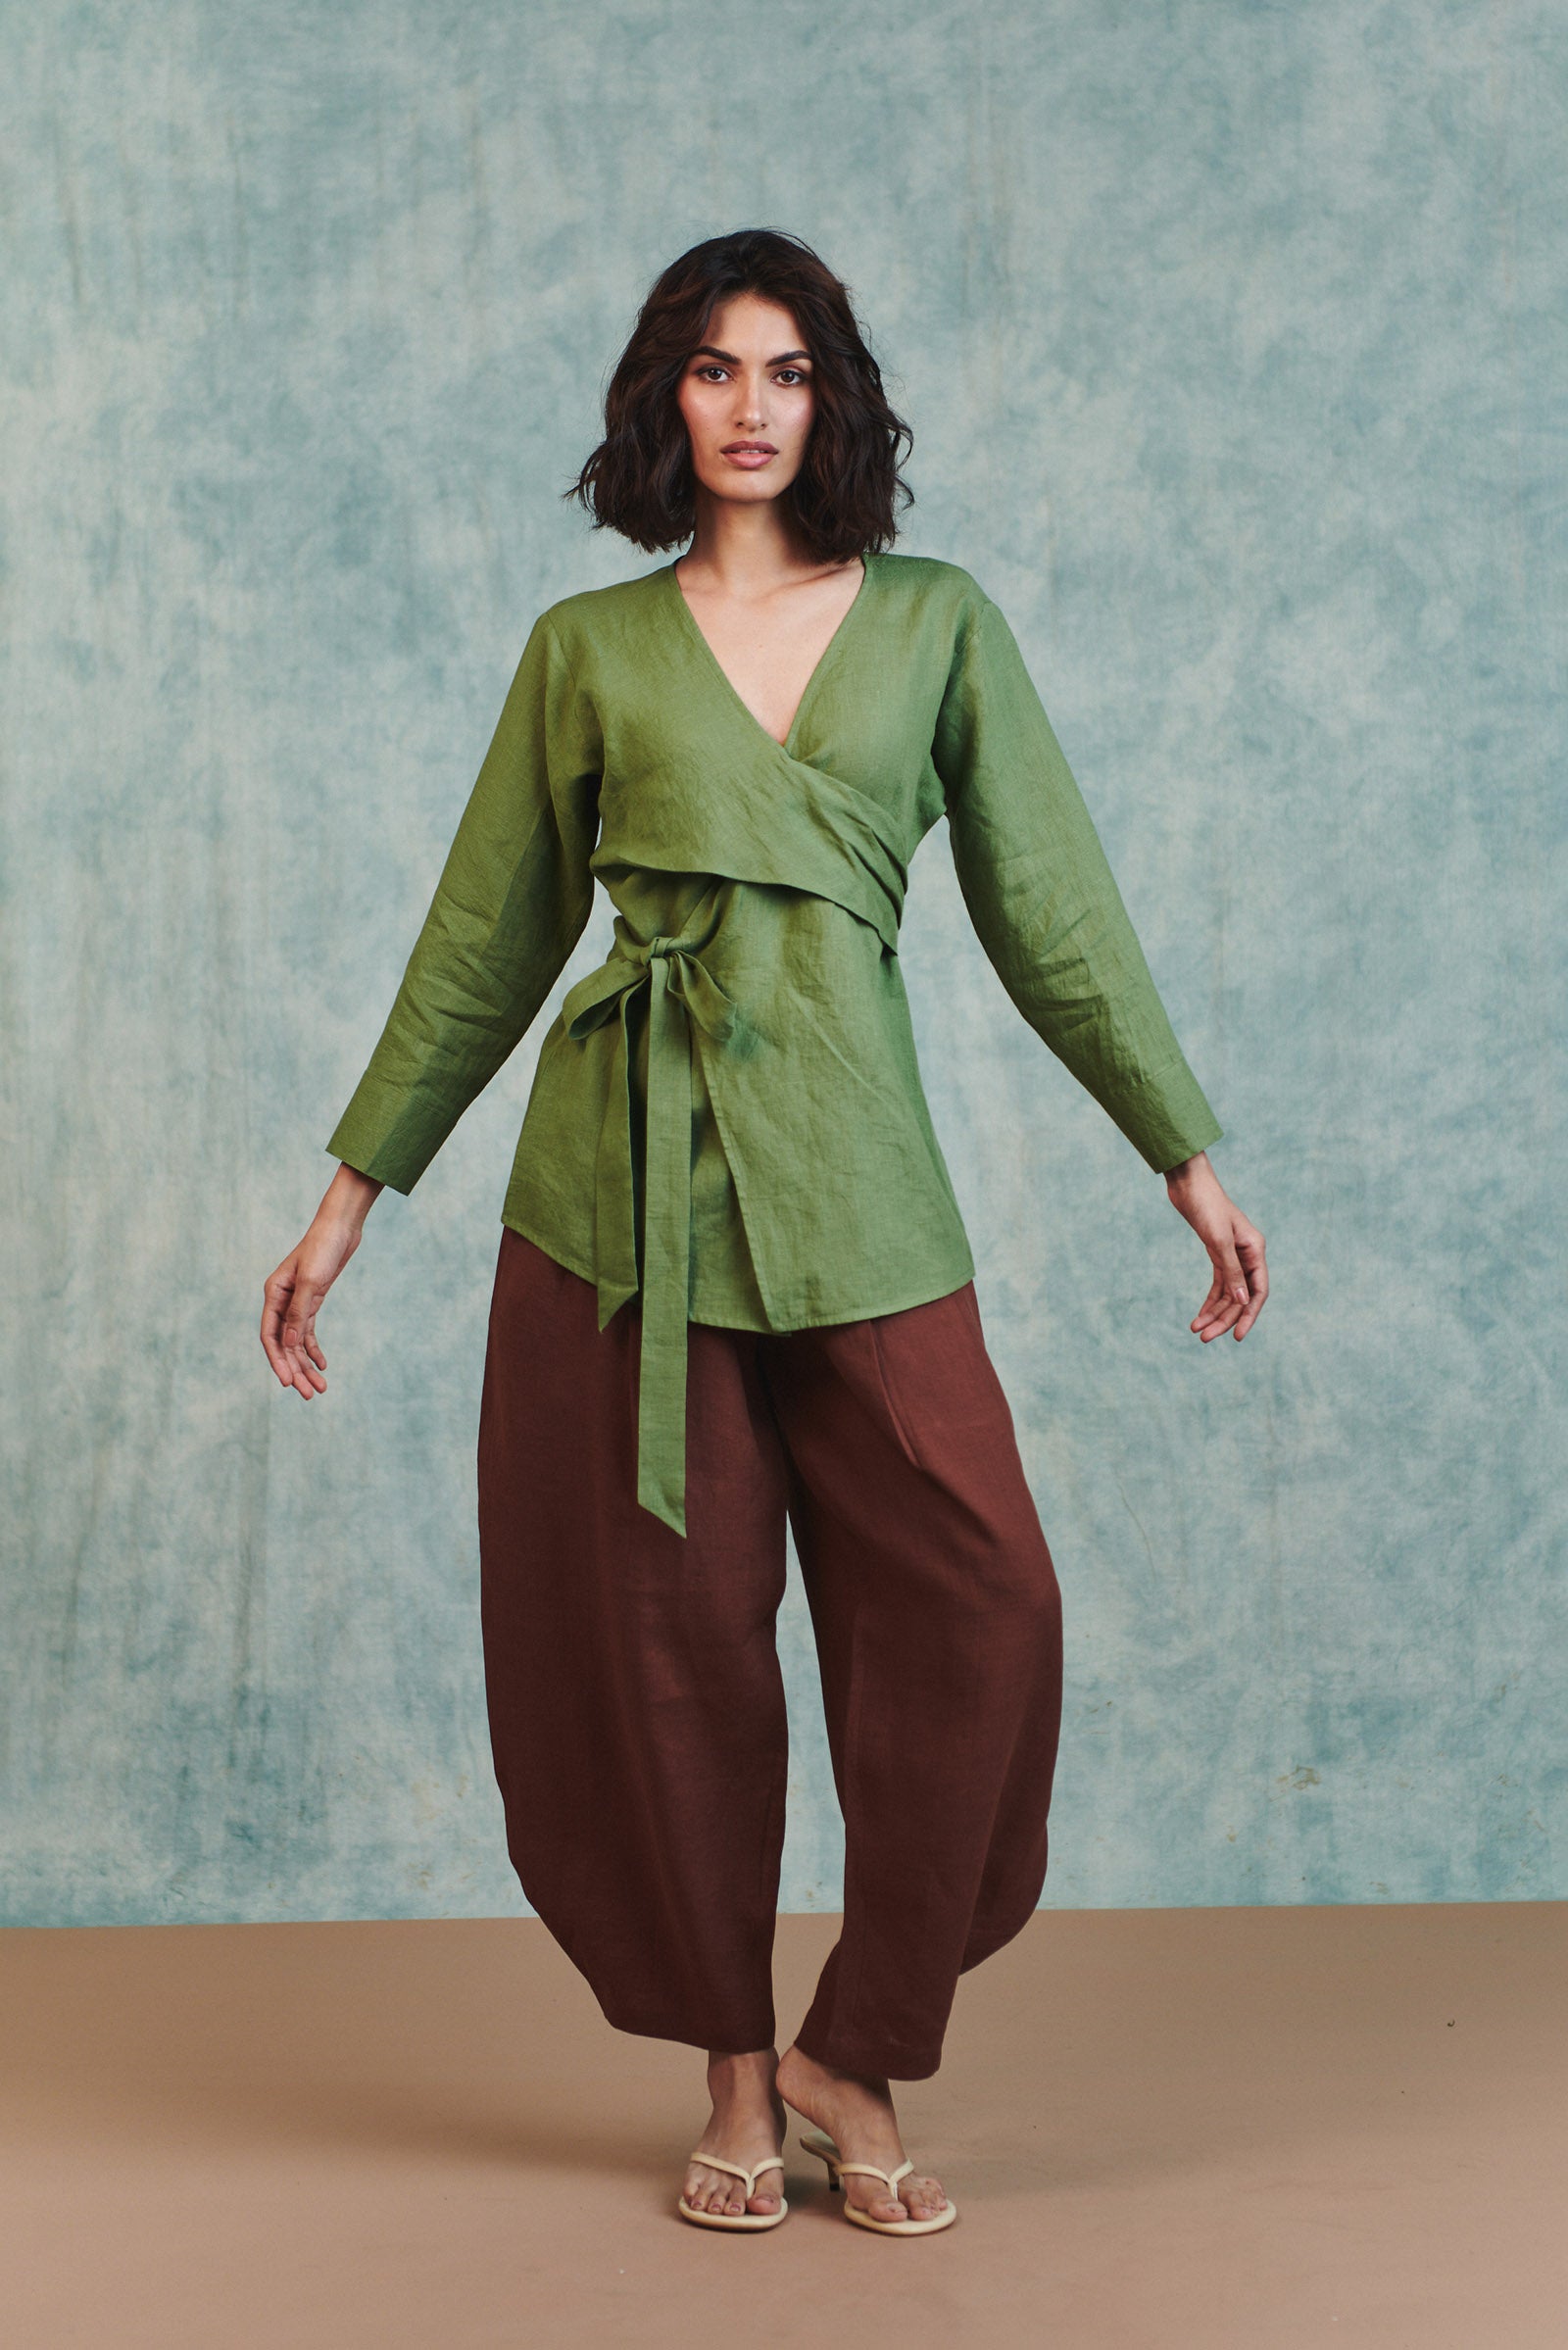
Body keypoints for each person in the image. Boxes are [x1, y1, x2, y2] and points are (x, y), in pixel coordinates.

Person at [261, 227, 1268, 2238]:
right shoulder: (586, 647)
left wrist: (1182, 1151)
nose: (748, 405)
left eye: (787, 369)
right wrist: (345, 1197)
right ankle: (732, 2068)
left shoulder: (936, 620)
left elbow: (1051, 910)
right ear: (666, 395)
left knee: (983, 1598)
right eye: (713, 367)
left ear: (832, 400)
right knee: (664, 1651)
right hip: (616, 1208)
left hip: (855, 1178)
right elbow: (483, 941)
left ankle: (852, 2046)